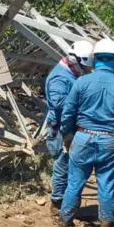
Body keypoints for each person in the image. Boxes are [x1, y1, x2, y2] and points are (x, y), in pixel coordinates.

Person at [56, 38, 114, 227]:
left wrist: (67, 135)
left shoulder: (81, 82)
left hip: (83, 137)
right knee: (107, 186)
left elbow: (68, 113)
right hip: (111, 141)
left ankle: (65, 226)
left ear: (94, 59)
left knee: (74, 184)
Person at [45, 40, 94, 213]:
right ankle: (57, 202)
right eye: (84, 68)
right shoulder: (60, 78)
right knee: (63, 163)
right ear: (74, 60)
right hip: (59, 128)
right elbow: (59, 103)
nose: (85, 71)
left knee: (68, 163)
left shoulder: (70, 74)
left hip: (67, 125)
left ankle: (65, 200)